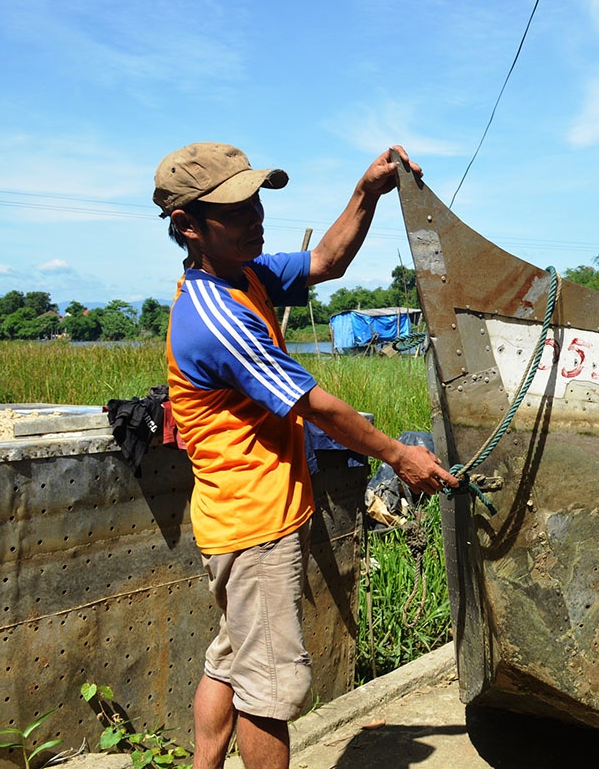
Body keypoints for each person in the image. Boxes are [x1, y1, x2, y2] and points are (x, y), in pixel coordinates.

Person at [153, 142, 458, 769]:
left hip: (235, 518)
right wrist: (400, 455)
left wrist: (365, 194)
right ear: (188, 226)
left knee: (232, 659)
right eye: (235, 211)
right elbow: (314, 405)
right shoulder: (215, 316)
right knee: (268, 693)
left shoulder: (246, 274)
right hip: (255, 526)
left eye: (255, 201)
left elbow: (326, 259)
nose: (255, 217)